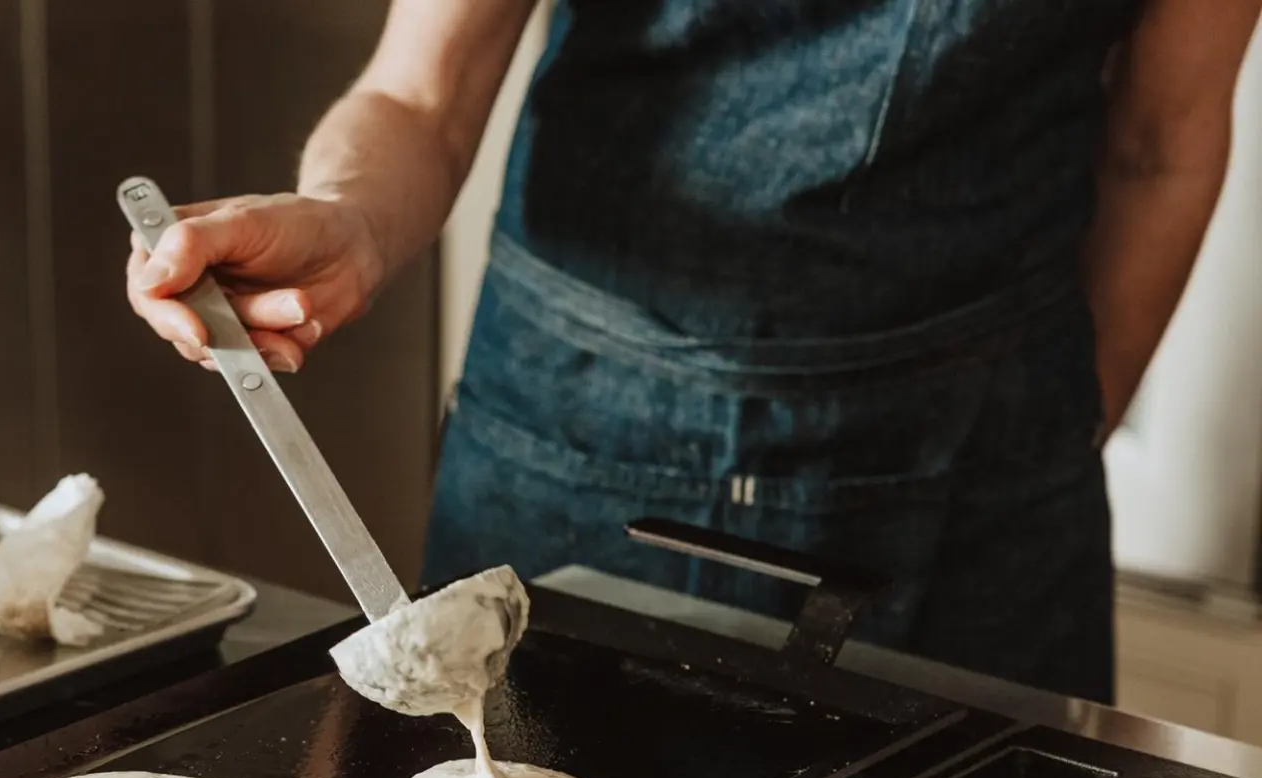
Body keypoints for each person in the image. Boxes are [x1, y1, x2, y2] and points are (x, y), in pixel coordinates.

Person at [126, 0, 1262, 703]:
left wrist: (1051, 429)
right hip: (581, 437)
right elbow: (421, 94)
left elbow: (1162, 147)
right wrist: (349, 220)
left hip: (987, 487)